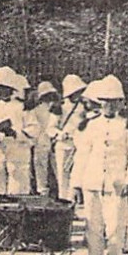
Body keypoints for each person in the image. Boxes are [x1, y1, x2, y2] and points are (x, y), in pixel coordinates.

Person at [72, 77, 128, 255]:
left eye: (114, 101)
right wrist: (76, 183)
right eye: (105, 100)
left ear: (121, 102)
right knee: (93, 227)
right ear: (99, 102)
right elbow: (82, 155)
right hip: (92, 181)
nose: (109, 105)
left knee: (115, 227)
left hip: (117, 183)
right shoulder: (91, 125)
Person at [0, 66, 34, 195]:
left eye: (1, 87)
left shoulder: (22, 107)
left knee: (17, 188)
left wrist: (14, 133)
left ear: (10, 88)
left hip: (17, 153)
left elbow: (34, 131)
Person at [55, 74, 88, 202]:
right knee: (63, 175)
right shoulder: (60, 107)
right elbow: (50, 128)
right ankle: (63, 201)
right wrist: (60, 134)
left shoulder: (84, 106)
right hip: (64, 145)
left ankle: (74, 201)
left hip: (79, 145)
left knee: (78, 174)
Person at [30, 82, 60, 197]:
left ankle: (48, 190)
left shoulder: (54, 107)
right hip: (42, 141)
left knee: (50, 168)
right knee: (41, 167)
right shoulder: (37, 109)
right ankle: (44, 191)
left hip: (50, 141)